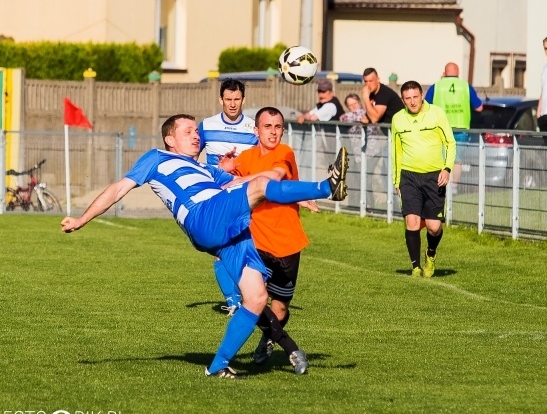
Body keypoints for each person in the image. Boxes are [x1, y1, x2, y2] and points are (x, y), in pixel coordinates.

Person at [61, 114, 349, 379]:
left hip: (226, 228)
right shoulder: (156, 158)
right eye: (188, 131)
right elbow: (118, 189)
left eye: (196, 131)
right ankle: (327, 187)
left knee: (257, 297)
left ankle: (217, 366)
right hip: (202, 216)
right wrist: (82, 219)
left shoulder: (206, 169)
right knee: (261, 187)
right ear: (170, 139)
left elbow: (243, 182)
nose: (196, 136)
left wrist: (294, 195)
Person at [219, 107, 315, 367]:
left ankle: (269, 337)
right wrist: (225, 168)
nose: (273, 132)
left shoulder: (284, 152)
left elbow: (275, 176)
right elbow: (225, 180)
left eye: (278, 127)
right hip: (255, 243)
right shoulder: (246, 157)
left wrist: (239, 180)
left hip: (287, 242)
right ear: (256, 130)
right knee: (253, 298)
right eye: (267, 126)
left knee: (279, 309)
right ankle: (290, 347)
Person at [198, 79, 258, 314]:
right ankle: (234, 301)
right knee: (222, 248)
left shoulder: (253, 129)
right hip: (218, 198)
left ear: (244, 100)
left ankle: (245, 296)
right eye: (228, 99)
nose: (232, 104)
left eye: (237, 99)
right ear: (220, 99)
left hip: (246, 196)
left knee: (249, 247)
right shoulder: (207, 126)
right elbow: (192, 155)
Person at [391, 81, 456, 278]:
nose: (412, 102)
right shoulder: (398, 119)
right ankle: (416, 267)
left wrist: (447, 168)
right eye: (408, 98)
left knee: (434, 227)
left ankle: (431, 253)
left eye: (415, 97)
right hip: (408, 177)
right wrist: (397, 180)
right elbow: (396, 151)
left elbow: (450, 143)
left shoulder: (436, 114)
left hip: (434, 177)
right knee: (412, 222)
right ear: (403, 100)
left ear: (422, 96)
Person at [424, 62, 483, 192]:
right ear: (458, 72)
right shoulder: (466, 87)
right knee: (457, 160)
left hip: (440, 129)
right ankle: (454, 187)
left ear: (444, 73)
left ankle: (441, 186)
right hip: (460, 129)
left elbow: (425, 106)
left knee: (441, 159)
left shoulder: (436, 86)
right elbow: (479, 107)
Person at [361, 68, 404, 209]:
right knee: (386, 174)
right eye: (366, 81)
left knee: (392, 173)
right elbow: (372, 115)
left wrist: (365, 98)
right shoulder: (374, 94)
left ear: (378, 79)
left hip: (400, 138)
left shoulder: (384, 94)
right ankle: (395, 207)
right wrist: (367, 117)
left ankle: (398, 207)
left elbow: (375, 117)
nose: (368, 85)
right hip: (390, 137)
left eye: (371, 81)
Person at [339, 94, 382, 161]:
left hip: (372, 150)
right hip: (359, 151)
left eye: (355, 103)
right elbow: (343, 118)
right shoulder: (351, 116)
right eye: (350, 105)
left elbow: (343, 118)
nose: (353, 106)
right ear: (347, 107)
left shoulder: (365, 111)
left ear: (359, 102)